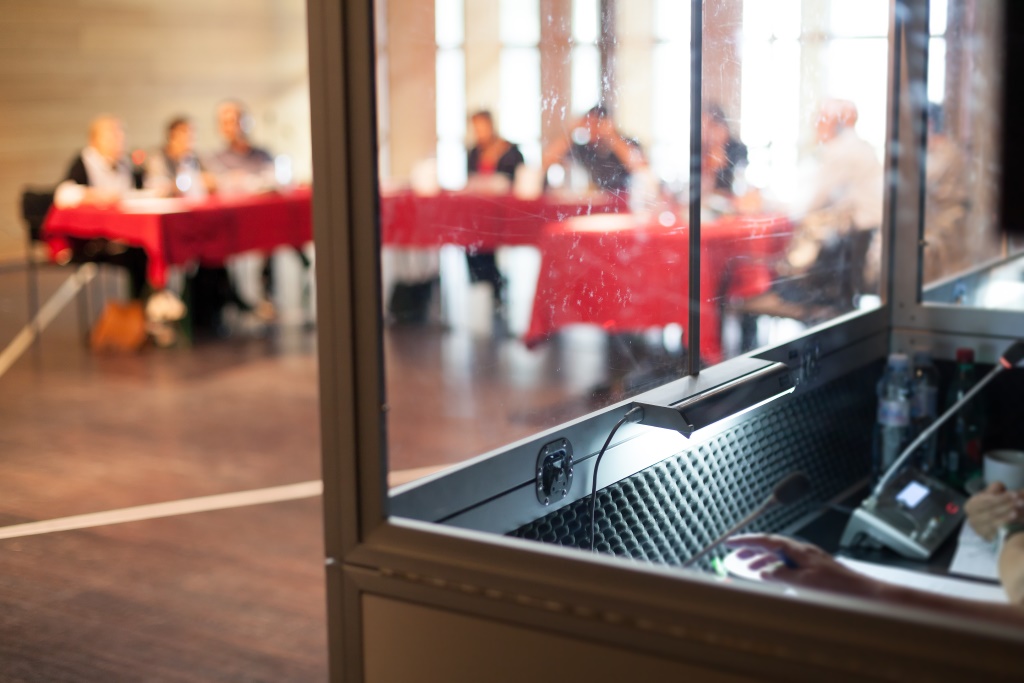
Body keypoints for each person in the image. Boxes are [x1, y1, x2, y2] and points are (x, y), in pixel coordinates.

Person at [779, 99, 885, 312]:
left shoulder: (842, 149)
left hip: (854, 230)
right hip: (860, 227)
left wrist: (784, 214)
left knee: (804, 279)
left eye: (821, 121)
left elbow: (817, 197)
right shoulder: (856, 146)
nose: (817, 127)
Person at [53, 115, 150, 301]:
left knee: (149, 249)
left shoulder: (126, 162)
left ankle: (142, 310)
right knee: (140, 255)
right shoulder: (84, 161)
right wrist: (97, 195)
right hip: (94, 240)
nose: (119, 140)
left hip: (126, 234)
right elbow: (63, 194)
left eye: (121, 135)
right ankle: (134, 313)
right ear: (94, 140)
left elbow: (140, 190)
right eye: (112, 136)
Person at [465, 110, 524, 309]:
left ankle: (494, 284)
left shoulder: (510, 150)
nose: (479, 132)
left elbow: (516, 180)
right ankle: (485, 283)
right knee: (472, 239)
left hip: (502, 211)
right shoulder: (474, 152)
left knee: (486, 238)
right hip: (479, 211)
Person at [542, 105, 645, 193]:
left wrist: (611, 136)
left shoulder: (625, 142)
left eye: (596, 123)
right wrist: (570, 133)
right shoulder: (583, 147)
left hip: (624, 197)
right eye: (588, 123)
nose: (592, 128)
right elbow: (548, 160)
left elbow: (639, 167)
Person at [922, 102, 972, 283]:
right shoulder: (937, 151)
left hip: (946, 226)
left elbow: (919, 180)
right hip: (939, 224)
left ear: (929, 124)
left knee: (941, 279)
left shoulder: (945, 152)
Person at [144, 116, 215, 198]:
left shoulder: (194, 156)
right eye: (184, 131)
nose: (190, 136)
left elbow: (212, 179)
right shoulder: (157, 157)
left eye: (192, 132)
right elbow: (157, 186)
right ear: (172, 136)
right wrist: (192, 182)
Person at [702, 103, 748, 198]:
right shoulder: (703, 150)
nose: (706, 134)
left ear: (723, 126)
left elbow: (742, 185)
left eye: (711, 127)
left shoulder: (738, 149)